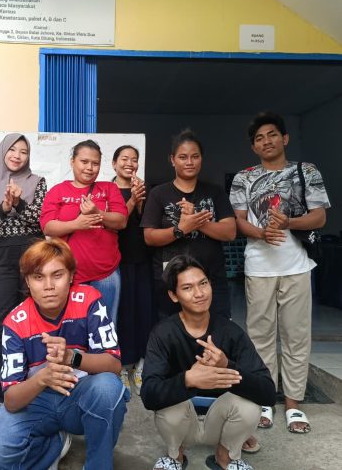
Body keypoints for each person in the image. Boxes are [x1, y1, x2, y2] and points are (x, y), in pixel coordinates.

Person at [0, 238, 129, 470]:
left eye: (57, 275)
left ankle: (98, 465)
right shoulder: (15, 322)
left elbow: (114, 365)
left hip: (79, 396)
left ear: (71, 276)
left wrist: (72, 357)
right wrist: (43, 378)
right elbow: (11, 401)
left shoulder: (89, 300)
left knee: (109, 388)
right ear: (27, 281)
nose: (48, 285)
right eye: (38, 277)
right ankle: (54, 445)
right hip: (37, 402)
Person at [229, 112, 330, 434]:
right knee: (259, 337)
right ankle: (264, 400)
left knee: (296, 336)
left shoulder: (307, 171)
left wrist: (289, 223)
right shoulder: (244, 177)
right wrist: (260, 233)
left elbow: (319, 218)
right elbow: (238, 221)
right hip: (258, 267)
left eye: (272, 135)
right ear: (253, 147)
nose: (266, 141)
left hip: (297, 266)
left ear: (284, 138)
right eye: (259, 138)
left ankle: (294, 404)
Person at [141, 255, 275, 470]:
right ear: (173, 296)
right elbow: (149, 394)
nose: (199, 293)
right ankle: (176, 456)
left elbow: (267, 392)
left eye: (203, 283)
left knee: (250, 405)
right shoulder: (163, 333)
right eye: (187, 288)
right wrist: (187, 380)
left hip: (222, 421)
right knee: (168, 407)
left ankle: (226, 456)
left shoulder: (231, 332)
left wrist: (227, 365)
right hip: (183, 421)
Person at [0, 133, 47, 417]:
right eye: (13, 150)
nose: (18, 155)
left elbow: (39, 220)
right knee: (0, 324)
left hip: (33, 255)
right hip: (2, 258)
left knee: (35, 320)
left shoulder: (37, 182)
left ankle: (33, 389)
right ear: (3, 152)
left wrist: (18, 204)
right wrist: (5, 206)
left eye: (24, 151)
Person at [141, 129, 236, 319]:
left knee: (216, 329)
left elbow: (230, 232)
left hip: (211, 279)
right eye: (183, 157)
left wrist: (197, 222)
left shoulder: (215, 192)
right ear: (172, 160)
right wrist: (181, 229)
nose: (189, 162)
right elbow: (149, 237)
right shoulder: (158, 194)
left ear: (201, 159)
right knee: (173, 331)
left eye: (195, 156)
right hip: (172, 281)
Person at [40, 139, 128, 325]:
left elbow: (121, 221)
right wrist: (76, 224)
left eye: (95, 163)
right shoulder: (58, 191)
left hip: (106, 273)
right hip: (68, 274)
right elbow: (47, 227)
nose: (90, 168)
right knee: (72, 328)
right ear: (72, 161)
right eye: (84, 161)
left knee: (105, 327)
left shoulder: (109, 188)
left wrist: (98, 212)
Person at [112, 145, 156, 394]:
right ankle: (121, 365)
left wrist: (140, 202)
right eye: (124, 158)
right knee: (121, 313)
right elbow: (115, 224)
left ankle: (140, 365)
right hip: (116, 261)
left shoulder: (145, 190)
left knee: (144, 312)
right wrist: (132, 201)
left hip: (142, 259)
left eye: (134, 159)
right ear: (114, 163)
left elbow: (146, 223)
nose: (130, 163)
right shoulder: (106, 190)